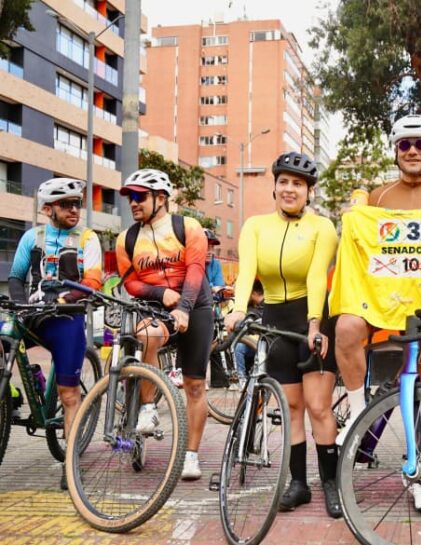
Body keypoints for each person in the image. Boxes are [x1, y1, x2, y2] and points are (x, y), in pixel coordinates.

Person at [333, 114, 421, 512]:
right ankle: (358, 413)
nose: (413, 151)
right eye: (405, 145)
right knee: (346, 327)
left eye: (420, 144)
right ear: (395, 151)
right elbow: (360, 248)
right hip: (382, 300)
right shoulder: (378, 197)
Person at [223, 152, 341, 518]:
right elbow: (247, 272)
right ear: (275, 187)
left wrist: (315, 325)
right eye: (284, 182)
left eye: (298, 184)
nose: (290, 189)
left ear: (309, 191)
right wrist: (237, 309)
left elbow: (317, 276)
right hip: (274, 319)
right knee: (291, 407)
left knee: (318, 406)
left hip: (312, 317)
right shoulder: (255, 226)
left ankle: (332, 483)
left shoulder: (322, 227)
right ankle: (299, 484)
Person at [115, 168, 213, 481]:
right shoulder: (127, 239)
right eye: (130, 197)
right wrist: (161, 294)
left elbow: (195, 270)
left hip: (196, 303)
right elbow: (130, 282)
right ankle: (147, 407)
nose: (133, 202)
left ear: (161, 198)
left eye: (140, 196)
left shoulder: (188, 227)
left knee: (195, 385)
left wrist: (184, 307)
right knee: (147, 334)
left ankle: (191, 455)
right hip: (157, 305)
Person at [9, 177, 102, 489]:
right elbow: (16, 278)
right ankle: (11, 394)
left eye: (77, 203)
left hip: (67, 317)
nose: (74, 209)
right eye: (66, 204)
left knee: (69, 394)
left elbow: (92, 283)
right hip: (33, 314)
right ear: (48, 209)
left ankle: (71, 465)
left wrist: (64, 299)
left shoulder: (88, 238)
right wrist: (21, 306)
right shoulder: (32, 237)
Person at [233, 279, 264, 380]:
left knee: (240, 347)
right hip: (252, 342)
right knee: (239, 347)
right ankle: (241, 378)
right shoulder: (250, 306)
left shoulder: (266, 304)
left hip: (265, 342)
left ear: (253, 293)